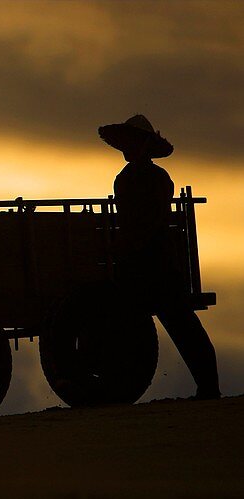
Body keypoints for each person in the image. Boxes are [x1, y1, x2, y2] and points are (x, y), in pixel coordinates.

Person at [98, 114, 220, 400]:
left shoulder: (153, 178)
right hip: (144, 263)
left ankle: (209, 388)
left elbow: (149, 221)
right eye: (125, 142)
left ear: (144, 145)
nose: (128, 147)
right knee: (158, 327)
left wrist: (127, 246)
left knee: (182, 327)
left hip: (155, 263)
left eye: (132, 141)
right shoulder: (129, 178)